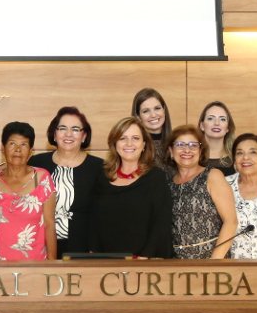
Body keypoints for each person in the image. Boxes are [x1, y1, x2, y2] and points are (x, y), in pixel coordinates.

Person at [0, 121, 57, 261]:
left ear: (31, 150)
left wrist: (52, 266)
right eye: (12, 144)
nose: (18, 149)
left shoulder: (43, 180)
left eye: (24, 144)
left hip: (33, 267)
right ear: (3, 148)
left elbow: (49, 224)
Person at [89, 117, 172, 258]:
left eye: (135, 138)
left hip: (145, 264)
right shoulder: (102, 177)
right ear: (114, 144)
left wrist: (143, 259)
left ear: (144, 144)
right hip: (106, 264)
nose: (129, 144)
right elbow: (94, 222)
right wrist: (94, 255)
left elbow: (161, 224)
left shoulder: (156, 178)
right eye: (123, 138)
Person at [29, 107, 104, 258]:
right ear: (54, 134)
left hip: (83, 249)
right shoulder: (36, 164)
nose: (68, 134)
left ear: (84, 136)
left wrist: (96, 248)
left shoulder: (100, 168)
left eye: (75, 129)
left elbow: (103, 214)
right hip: (39, 246)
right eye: (62, 128)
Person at [163, 124, 238, 259]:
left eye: (193, 145)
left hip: (212, 260)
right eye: (180, 144)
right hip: (175, 265)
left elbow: (231, 222)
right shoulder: (167, 184)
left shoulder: (213, 176)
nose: (187, 150)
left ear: (201, 151)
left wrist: (213, 263)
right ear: (171, 151)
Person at [132, 87, 173, 163]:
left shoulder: (177, 143)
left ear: (164, 110)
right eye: (146, 111)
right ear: (138, 117)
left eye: (157, 108)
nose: (153, 115)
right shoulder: (134, 147)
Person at [198, 100, 237, 175]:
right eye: (211, 118)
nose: (216, 123)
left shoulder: (237, 157)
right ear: (202, 126)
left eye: (222, 119)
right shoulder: (191, 156)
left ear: (228, 127)